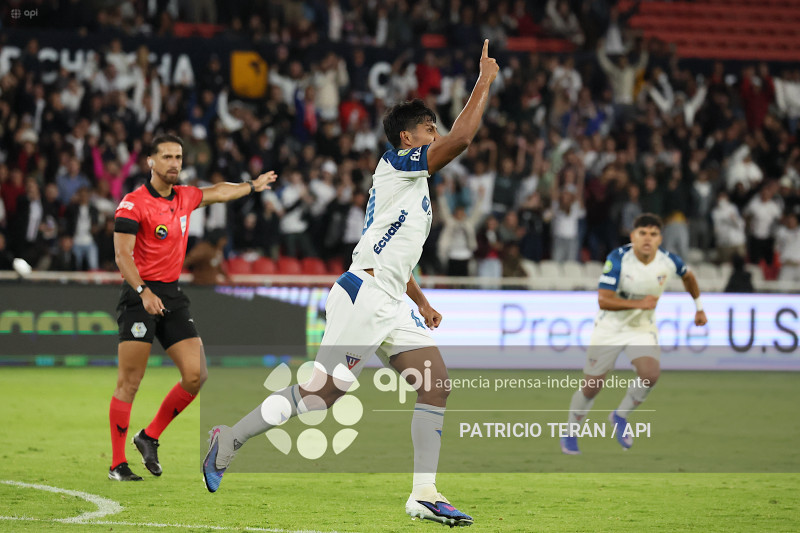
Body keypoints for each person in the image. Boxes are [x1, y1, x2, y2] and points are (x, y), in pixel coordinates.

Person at [202, 39, 499, 528]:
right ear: (407, 138)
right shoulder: (396, 165)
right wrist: (484, 79)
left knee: (436, 385)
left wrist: (420, 301)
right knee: (320, 397)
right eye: (429, 127)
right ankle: (230, 439)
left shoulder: (414, 187)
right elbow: (463, 139)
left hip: (390, 298)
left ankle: (424, 494)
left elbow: (392, 254)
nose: (437, 132)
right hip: (362, 295)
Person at [108, 134, 276, 481]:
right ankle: (117, 464)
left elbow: (218, 191)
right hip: (139, 296)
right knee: (130, 382)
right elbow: (122, 255)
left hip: (171, 295)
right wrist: (142, 291)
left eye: (178, 157)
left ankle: (149, 436)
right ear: (150, 162)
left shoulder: (184, 197)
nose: (174, 163)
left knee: (196, 374)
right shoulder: (133, 203)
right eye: (167, 156)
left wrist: (251, 186)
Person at [560, 213, 707, 455]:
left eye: (653, 234)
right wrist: (639, 304)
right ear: (633, 236)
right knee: (592, 387)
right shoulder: (618, 258)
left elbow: (688, 277)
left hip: (641, 328)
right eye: (642, 233)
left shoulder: (669, 261)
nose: (647, 239)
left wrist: (699, 307)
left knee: (650, 374)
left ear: (660, 238)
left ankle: (619, 416)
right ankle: (571, 432)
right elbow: (603, 300)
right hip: (610, 328)